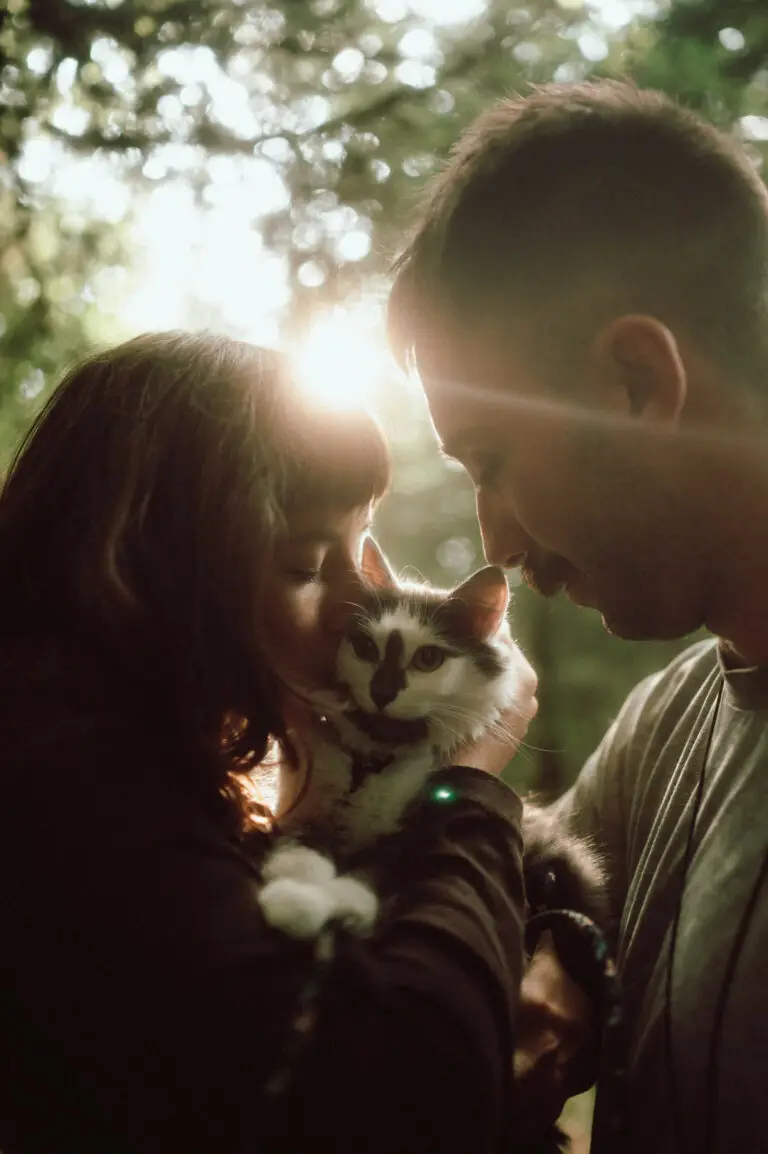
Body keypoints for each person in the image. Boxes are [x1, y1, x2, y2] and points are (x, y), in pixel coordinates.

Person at [0, 330, 592, 1154]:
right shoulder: (64, 776)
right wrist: (473, 780)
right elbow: (415, 1092)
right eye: (310, 566)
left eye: (360, 548)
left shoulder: (132, 747)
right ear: (164, 565)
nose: (354, 606)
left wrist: (565, 943)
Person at [388, 77, 768, 1153]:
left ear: (638, 381)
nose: (497, 541)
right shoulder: (666, 725)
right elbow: (546, 889)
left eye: (491, 460)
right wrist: (566, 955)